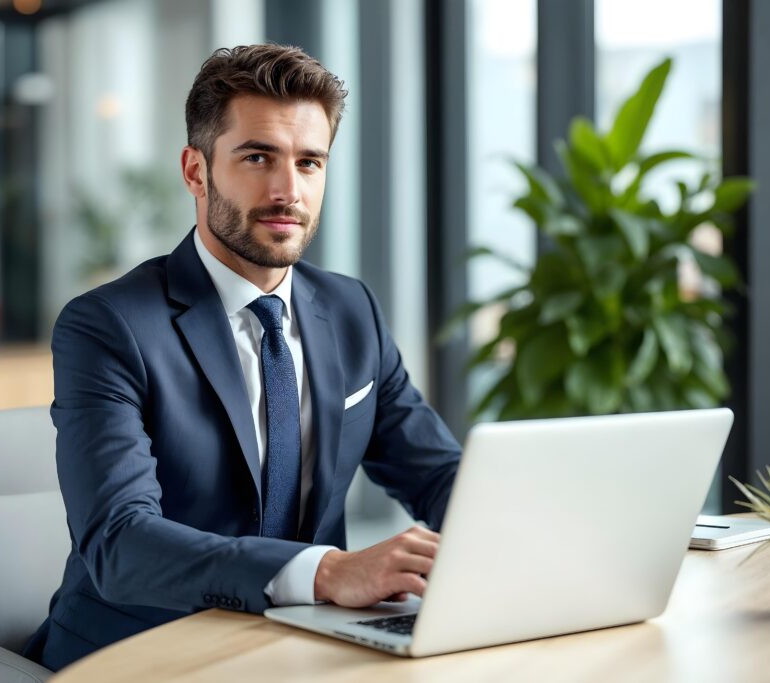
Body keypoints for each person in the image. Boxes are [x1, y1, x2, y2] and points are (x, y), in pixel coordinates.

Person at [23, 43, 462, 671]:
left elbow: (438, 475)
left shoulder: (350, 309)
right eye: (259, 157)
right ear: (196, 171)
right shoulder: (109, 326)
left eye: (310, 162)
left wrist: (524, 542)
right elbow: (120, 543)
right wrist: (329, 571)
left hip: (307, 647)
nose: (289, 190)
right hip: (142, 651)